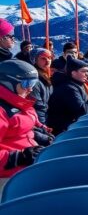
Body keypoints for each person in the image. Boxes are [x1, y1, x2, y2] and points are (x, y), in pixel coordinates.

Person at [0, 60, 45, 189]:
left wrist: (37, 134)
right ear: (7, 84)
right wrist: (18, 157)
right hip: (9, 178)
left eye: (33, 84)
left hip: (25, 170)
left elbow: (21, 127)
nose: (30, 89)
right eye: (27, 84)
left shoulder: (17, 102)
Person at [46, 57, 88, 135]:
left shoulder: (75, 84)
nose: (87, 74)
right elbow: (82, 111)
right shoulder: (68, 88)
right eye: (83, 71)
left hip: (70, 127)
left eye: (87, 71)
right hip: (63, 132)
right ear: (73, 73)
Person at [28, 48, 55, 146]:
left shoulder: (45, 76)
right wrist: (44, 128)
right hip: (39, 123)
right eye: (43, 58)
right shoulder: (35, 81)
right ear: (34, 60)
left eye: (49, 57)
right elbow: (38, 107)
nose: (47, 60)